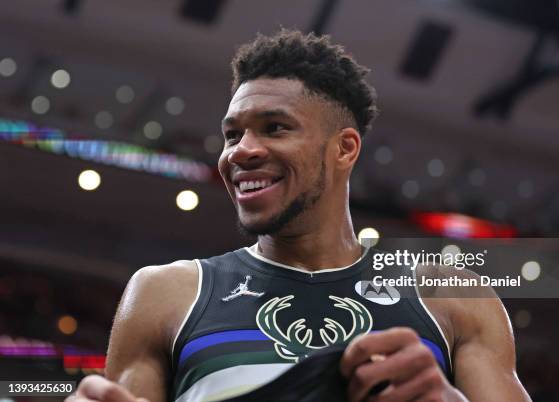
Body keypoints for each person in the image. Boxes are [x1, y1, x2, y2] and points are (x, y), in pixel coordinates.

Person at [67, 30, 531, 402]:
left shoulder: (451, 297)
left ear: (345, 148)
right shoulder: (165, 294)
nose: (241, 151)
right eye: (232, 135)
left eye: (275, 128)